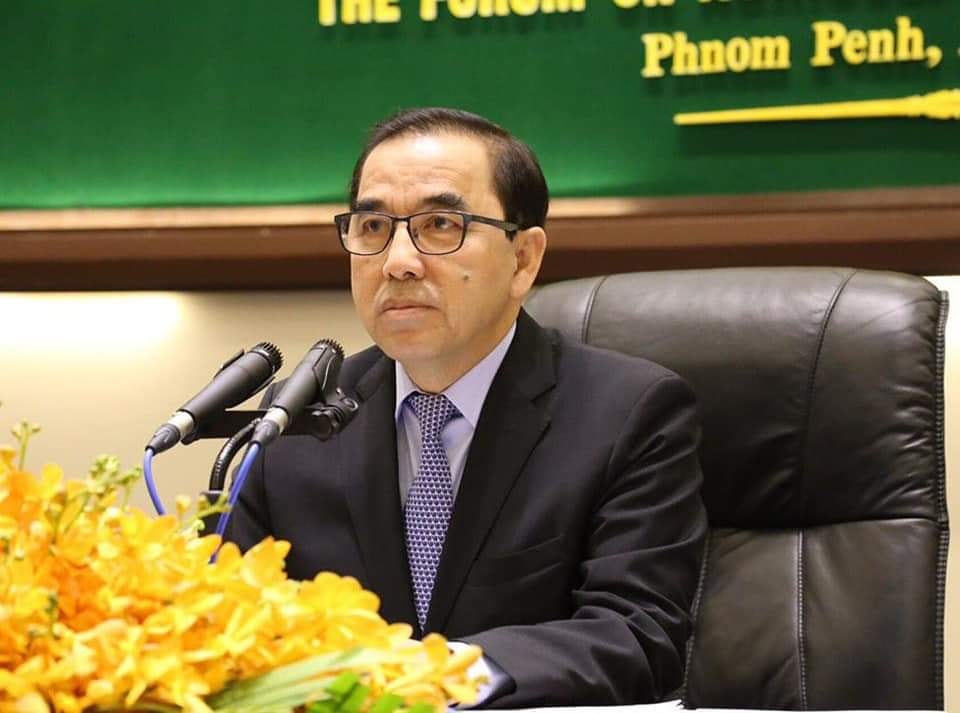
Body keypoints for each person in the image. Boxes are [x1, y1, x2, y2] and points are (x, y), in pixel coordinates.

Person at [225, 107, 707, 707]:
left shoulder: (630, 413)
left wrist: (434, 676)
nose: (398, 262)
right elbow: (232, 623)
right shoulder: (295, 418)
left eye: (440, 225)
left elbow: (638, 635)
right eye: (373, 227)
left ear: (523, 259)